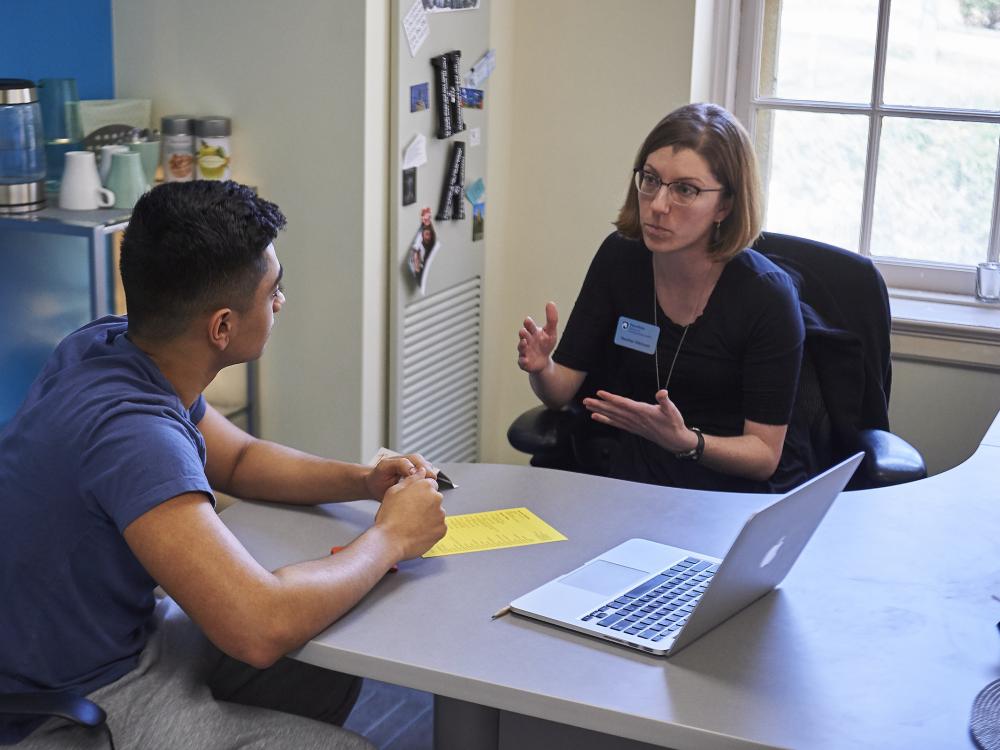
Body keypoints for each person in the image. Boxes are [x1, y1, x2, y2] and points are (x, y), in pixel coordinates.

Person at [0, 181, 447, 748]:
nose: (281, 303)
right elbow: (260, 626)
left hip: (119, 639)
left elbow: (236, 458)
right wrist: (392, 539)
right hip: (77, 700)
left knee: (325, 656)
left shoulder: (107, 346)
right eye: (273, 292)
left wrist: (361, 481)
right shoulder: (134, 437)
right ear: (222, 327)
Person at [517, 103, 807, 493]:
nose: (657, 205)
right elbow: (560, 393)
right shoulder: (621, 257)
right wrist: (542, 368)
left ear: (725, 205)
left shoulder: (766, 297)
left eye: (685, 190)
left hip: (724, 492)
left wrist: (686, 441)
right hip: (632, 474)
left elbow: (763, 456)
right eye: (650, 180)